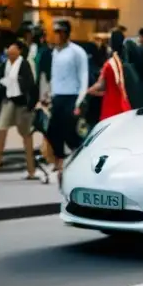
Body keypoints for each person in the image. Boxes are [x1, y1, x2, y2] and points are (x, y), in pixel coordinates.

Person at [46, 20, 88, 185]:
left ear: (66, 33)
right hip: (58, 97)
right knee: (52, 132)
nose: (56, 35)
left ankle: (80, 160)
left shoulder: (77, 52)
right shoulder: (55, 52)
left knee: (70, 133)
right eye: (55, 32)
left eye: (60, 32)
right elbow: (54, 76)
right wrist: (50, 94)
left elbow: (83, 76)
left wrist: (79, 101)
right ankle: (59, 162)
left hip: (72, 96)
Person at [0, 42, 39, 183]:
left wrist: (30, 104)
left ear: (19, 51)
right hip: (7, 102)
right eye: (9, 53)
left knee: (26, 136)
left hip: (21, 104)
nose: (10, 54)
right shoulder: (4, 65)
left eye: (13, 52)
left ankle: (31, 170)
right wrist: (7, 82)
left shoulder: (24, 65)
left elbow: (30, 85)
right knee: (1, 132)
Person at [87, 30, 132, 121]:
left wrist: (87, 91)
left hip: (111, 108)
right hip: (125, 106)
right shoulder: (127, 63)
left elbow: (100, 85)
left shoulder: (110, 64)